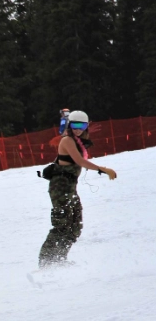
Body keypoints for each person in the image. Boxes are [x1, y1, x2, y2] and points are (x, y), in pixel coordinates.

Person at [38, 110, 117, 267]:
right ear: (69, 125)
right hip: (60, 187)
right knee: (61, 224)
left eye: (82, 125)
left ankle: (59, 258)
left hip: (70, 188)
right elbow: (80, 161)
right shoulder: (67, 140)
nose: (78, 129)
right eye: (75, 125)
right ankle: (46, 262)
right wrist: (103, 169)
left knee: (75, 226)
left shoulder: (78, 140)